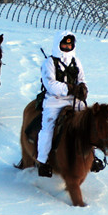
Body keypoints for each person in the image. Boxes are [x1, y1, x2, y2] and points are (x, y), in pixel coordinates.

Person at [36, 30, 89, 177]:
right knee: (48, 127)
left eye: (69, 45)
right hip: (55, 101)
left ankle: (92, 157)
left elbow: (82, 79)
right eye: (64, 45)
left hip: (75, 100)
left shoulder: (76, 62)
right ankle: (43, 161)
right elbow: (50, 84)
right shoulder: (49, 63)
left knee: (88, 123)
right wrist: (71, 88)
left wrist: (83, 89)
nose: (67, 47)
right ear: (58, 45)